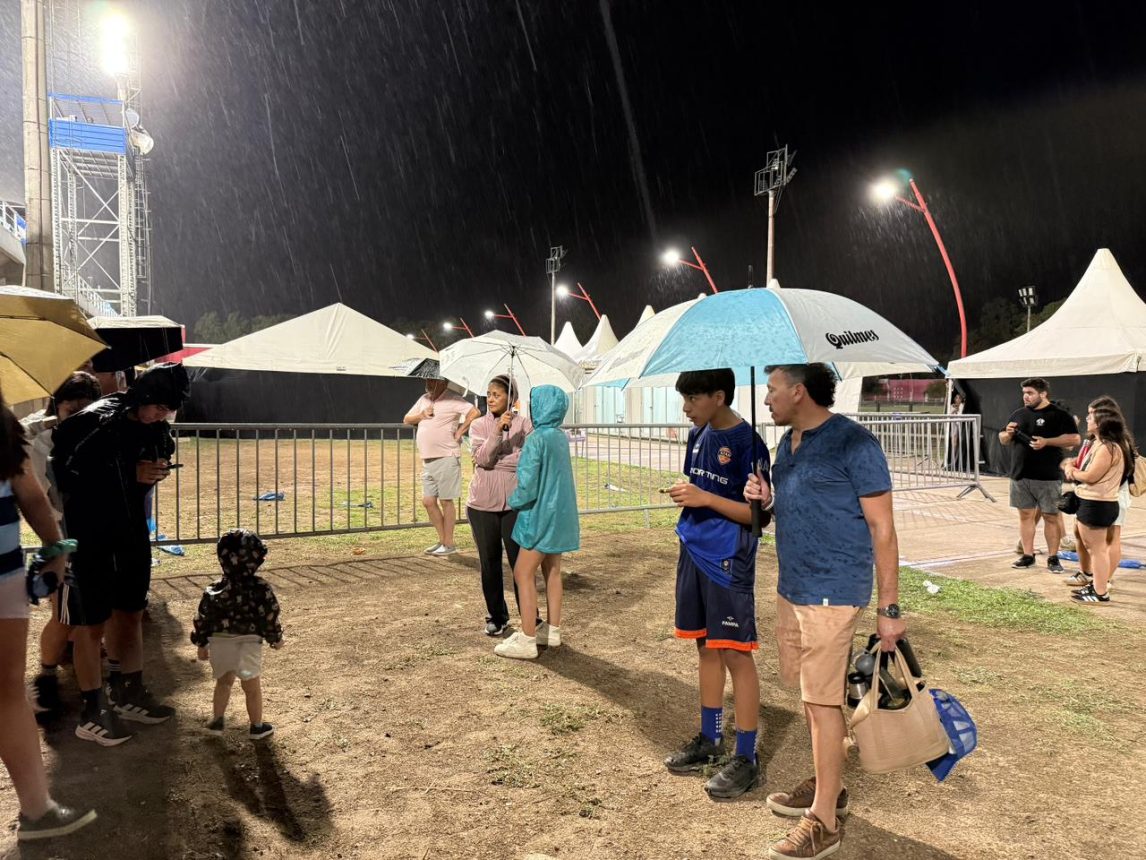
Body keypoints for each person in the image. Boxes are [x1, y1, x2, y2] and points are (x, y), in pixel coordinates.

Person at [744, 364, 904, 860]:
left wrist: (890, 607)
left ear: (798, 392)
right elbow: (792, 509)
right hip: (792, 588)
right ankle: (828, 786)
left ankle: (824, 822)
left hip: (834, 592)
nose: (766, 398)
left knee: (820, 703)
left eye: (772, 390)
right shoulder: (786, 446)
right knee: (816, 697)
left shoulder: (855, 444)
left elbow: (883, 529)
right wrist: (767, 500)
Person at [50, 363, 189, 745]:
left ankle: (129, 692)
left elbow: (161, 449)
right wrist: (131, 472)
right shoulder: (93, 422)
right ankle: (92, 710)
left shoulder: (154, 426)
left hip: (129, 533)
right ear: (143, 398)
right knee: (90, 624)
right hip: (91, 536)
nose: (163, 415)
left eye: (168, 409)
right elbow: (68, 476)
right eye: (159, 406)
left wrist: (156, 466)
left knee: (130, 612)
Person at [660, 369, 770, 801]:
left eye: (692, 399)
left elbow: (756, 517)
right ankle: (711, 738)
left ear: (719, 396)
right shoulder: (699, 434)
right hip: (694, 549)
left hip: (728, 559)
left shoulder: (749, 445)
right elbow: (700, 487)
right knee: (705, 645)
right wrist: (691, 494)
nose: (685, 408)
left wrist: (705, 498)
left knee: (735, 654)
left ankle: (746, 757)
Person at [0, 389, 97, 840]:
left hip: (3, 581)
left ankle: (37, 810)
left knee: (7, 690)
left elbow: (31, 495)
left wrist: (57, 550)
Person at [21, 372, 102, 721]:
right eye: (73, 410)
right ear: (57, 409)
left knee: (94, 613)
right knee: (64, 614)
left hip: (96, 532)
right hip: (63, 535)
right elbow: (44, 502)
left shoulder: (99, 432)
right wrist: (58, 546)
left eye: (88, 409)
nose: (81, 416)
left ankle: (85, 670)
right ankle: (46, 676)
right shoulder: (40, 438)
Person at [494, 385, 579, 660]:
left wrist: (514, 500)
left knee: (523, 573)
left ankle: (528, 638)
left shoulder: (537, 439)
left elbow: (528, 484)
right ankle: (552, 631)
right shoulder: (559, 437)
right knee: (553, 570)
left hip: (539, 516)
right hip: (559, 516)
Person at [191, 529, 283, 739]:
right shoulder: (260, 588)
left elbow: (203, 618)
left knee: (223, 683)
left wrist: (201, 643)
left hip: (220, 643)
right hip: (248, 643)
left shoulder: (214, 589)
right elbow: (269, 615)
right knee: (251, 688)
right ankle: (257, 726)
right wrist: (275, 638)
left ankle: (216, 721)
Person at [465, 376, 532, 636]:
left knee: (520, 563)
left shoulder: (525, 425)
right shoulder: (479, 425)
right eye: (489, 394)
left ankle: (529, 615)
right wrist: (496, 433)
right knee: (489, 562)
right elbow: (482, 458)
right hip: (482, 503)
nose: (490, 399)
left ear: (511, 400)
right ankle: (496, 615)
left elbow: (526, 461)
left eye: (497, 394)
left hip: (515, 504)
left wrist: (501, 460)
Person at [999, 378, 1080, 574]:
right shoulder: (1018, 414)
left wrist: (1047, 441)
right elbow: (1002, 439)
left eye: (1030, 393)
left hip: (1048, 476)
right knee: (1025, 517)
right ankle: (1028, 555)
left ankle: (1053, 558)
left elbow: (1074, 439)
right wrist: (1008, 434)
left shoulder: (1059, 415)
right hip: (1020, 475)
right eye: (1024, 393)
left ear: (1043, 394)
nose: (1026, 396)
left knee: (1051, 517)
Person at [1064, 397, 1136, 590]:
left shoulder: (1112, 445)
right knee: (1086, 539)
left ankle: (1102, 584)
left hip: (1107, 496)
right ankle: (1092, 578)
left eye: (1091, 414)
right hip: (1095, 496)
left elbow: (1093, 475)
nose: (1087, 418)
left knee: (1106, 543)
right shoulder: (1098, 442)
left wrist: (1073, 472)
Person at [404, 378, 480, 557]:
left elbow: (475, 412)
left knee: (446, 501)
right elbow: (407, 419)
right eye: (427, 381)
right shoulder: (424, 399)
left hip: (447, 456)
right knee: (428, 502)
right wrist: (422, 415)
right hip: (428, 459)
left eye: (432, 381)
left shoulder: (453, 399)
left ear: (443, 383)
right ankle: (443, 541)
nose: (428, 384)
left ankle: (449, 543)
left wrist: (461, 431)